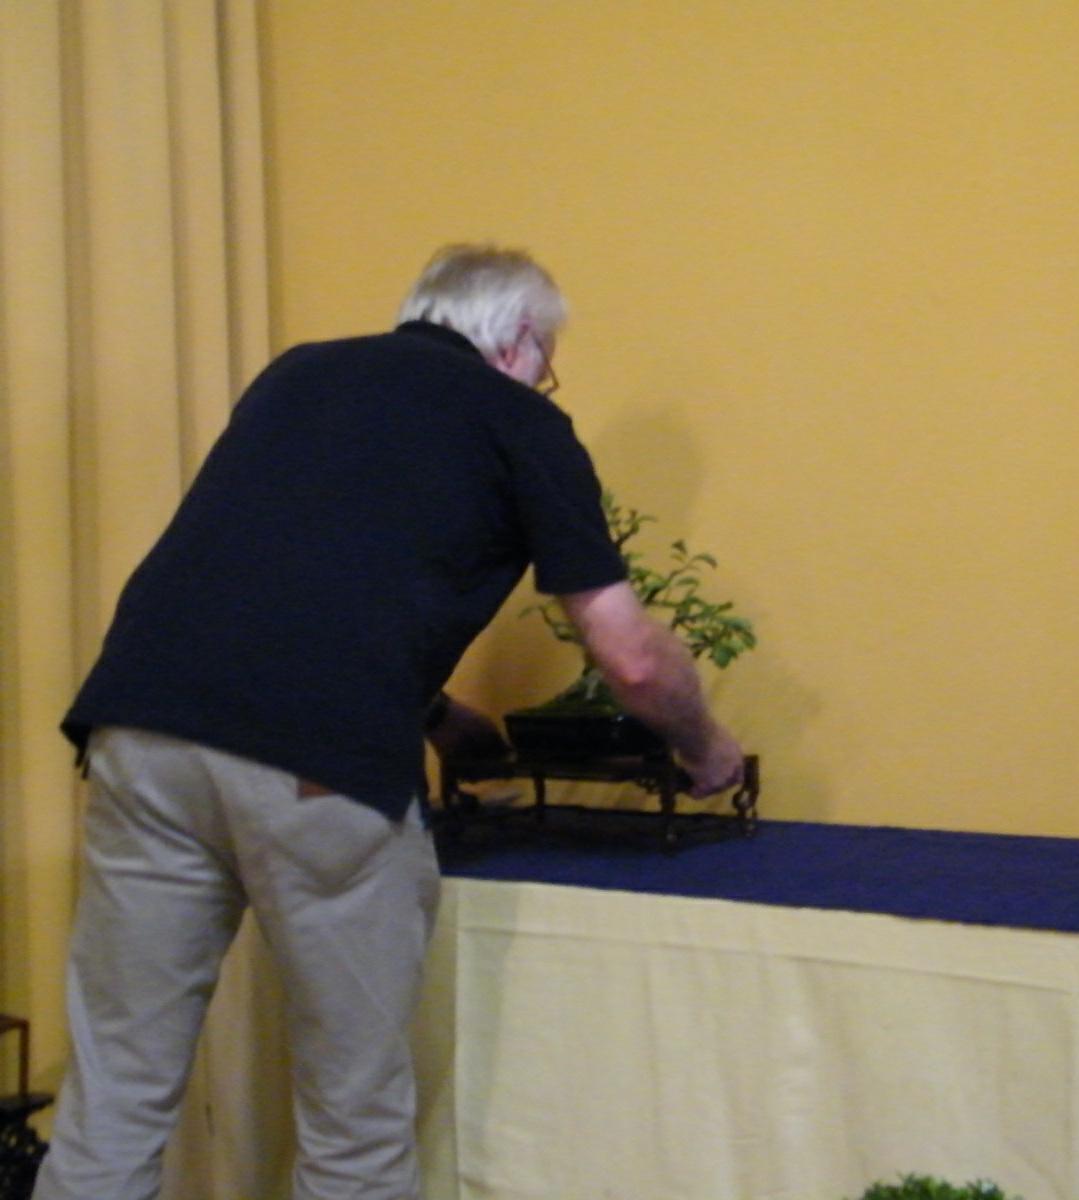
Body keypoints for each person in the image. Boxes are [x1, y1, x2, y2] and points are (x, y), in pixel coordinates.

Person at [34, 244, 745, 1200]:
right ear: (518, 340)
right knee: (352, 1120)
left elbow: (291, 579)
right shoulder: (521, 421)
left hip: (139, 728)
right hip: (316, 771)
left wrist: (436, 715)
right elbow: (631, 656)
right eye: (548, 361)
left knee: (114, 1093)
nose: (545, 379)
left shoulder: (298, 377)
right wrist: (707, 746)